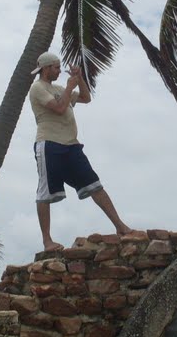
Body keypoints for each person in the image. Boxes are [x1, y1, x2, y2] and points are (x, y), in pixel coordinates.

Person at [28, 51, 137, 251]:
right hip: (49, 145)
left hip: (71, 145)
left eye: (60, 66)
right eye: (56, 67)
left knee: (94, 184)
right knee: (45, 192)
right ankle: (47, 241)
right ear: (45, 69)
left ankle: (120, 226)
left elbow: (86, 98)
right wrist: (70, 86)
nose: (59, 70)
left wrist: (79, 79)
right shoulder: (37, 88)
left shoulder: (60, 88)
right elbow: (60, 108)